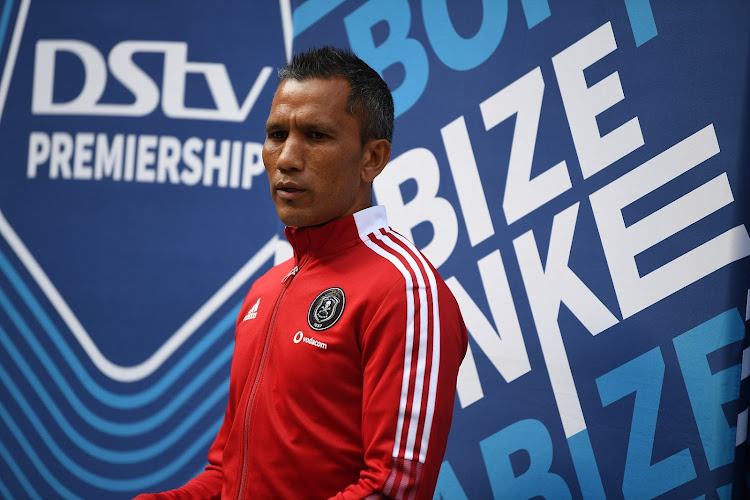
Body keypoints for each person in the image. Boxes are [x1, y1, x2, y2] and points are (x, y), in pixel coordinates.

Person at [135, 46, 468, 500]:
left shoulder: (405, 288)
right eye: (276, 134)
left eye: (315, 135)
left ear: (373, 159)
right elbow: (227, 474)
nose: (287, 158)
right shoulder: (264, 290)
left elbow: (393, 489)